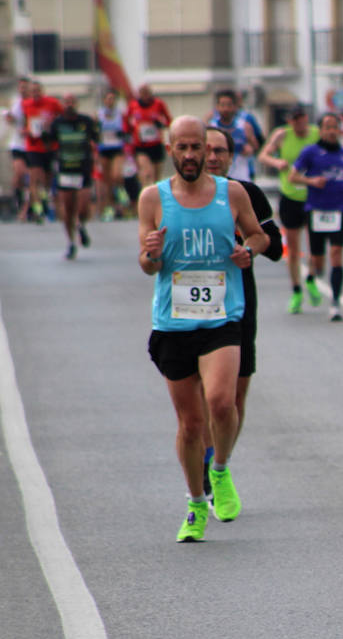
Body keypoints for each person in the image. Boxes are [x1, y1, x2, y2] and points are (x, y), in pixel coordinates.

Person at [137, 116, 268, 542]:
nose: (192, 156)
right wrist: (151, 254)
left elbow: (259, 235)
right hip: (173, 323)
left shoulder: (232, 193)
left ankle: (221, 469)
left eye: (198, 148)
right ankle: (195, 504)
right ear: (171, 149)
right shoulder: (152, 198)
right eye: (184, 148)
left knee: (221, 402)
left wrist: (248, 251)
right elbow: (146, 264)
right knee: (190, 424)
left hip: (222, 318)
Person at [202, 125, 284, 490]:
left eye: (220, 151)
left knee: (234, 395)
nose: (213, 157)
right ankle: (204, 460)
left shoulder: (244, 194)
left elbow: (276, 245)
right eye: (206, 150)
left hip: (237, 303)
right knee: (204, 397)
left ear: (232, 157)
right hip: (188, 309)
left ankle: (219, 463)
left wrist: (247, 247)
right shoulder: (170, 197)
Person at [290, 112, 343, 322]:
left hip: (339, 210)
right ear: (320, 130)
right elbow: (293, 177)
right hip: (317, 210)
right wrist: (311, 181)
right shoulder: (310, 152)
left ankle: (335, 303)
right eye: (327, 127)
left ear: (339, 130)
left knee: (336, 253)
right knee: (318, 261)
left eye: (335, 126)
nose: (331, 131)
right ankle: (311, 277)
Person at [257, 104, 320, 312]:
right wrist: (277, 163)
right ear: (290, 121)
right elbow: (263, 155)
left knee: (315, 248)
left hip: (313, 196)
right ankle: (296, 290)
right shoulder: (282, 135)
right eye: (295, 119)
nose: (299, 123)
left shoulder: (316, 134)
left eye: (302, 118)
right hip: (290, 196)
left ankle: (310, 278)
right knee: (293, 249)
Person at [48, 94, 99, 260]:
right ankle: (70, 243)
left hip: (83, 168)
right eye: (66, 102)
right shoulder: (57, 123)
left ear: (76, 104)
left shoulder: (85, 121)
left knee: (83, 207)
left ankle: (81, 224)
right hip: (65, 169)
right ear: (62, 104)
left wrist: (97, 125)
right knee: (68, 209)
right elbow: (48, 143)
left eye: (72, 102)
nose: (69, 105)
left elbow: (97, 139)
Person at [20, 81, 63, 223]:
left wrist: (53, 126)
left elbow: (62, 117)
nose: (36, 94)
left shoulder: (52, 103)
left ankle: (45, 199)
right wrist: (26, 131)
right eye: (33, 91)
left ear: (42, 91)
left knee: (47, 179)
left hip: (49, 146)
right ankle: (37, 208)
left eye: (38, 90)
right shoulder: (26, 105)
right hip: (33, 146)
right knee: (34, 177)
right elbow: (23, 124)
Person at [205, 89, 260, 180]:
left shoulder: (244, 126)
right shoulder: (211, 126)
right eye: (222, 105)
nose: (226, 109)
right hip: (218, 175)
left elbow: (256, 147)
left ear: (235, 107)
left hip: (241, 175)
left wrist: (250, 149)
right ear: (217, 107)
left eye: (229, 105)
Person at [127, 84, 172, 188]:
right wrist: (129, 131)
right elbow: (126, 121)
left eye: (147, 93)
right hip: (141, 145)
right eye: (143, 93)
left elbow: (169, 121)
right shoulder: (133, 105)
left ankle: (155, 196)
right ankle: (144, 193)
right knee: (147, 172)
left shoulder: (159, 104)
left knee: (156, 177)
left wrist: (161, 124)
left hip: (155, 145)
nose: (145, 96)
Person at [95, 89, 129, 221]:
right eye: (108, 98)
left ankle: (121, 190)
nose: (110, 101)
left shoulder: (121, 114)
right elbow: (95, 131)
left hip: (117, 148)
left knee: (117, 175)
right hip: (104, 149)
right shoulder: (99, 114)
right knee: (107, 182)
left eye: (112, 99)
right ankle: (109, 207)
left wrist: (123, 135)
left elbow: (127, 129)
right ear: (104, 100)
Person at [5, 77, 32, 221]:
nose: (23, 90)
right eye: (21, 87)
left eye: (25, 87)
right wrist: (8, 117)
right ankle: (18, 198)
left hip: (32, 145)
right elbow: (10, 118)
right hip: (17, 144)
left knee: (31, 178)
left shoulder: (34, 103)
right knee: (19, 172)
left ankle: (27, 208)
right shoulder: (15, 103)